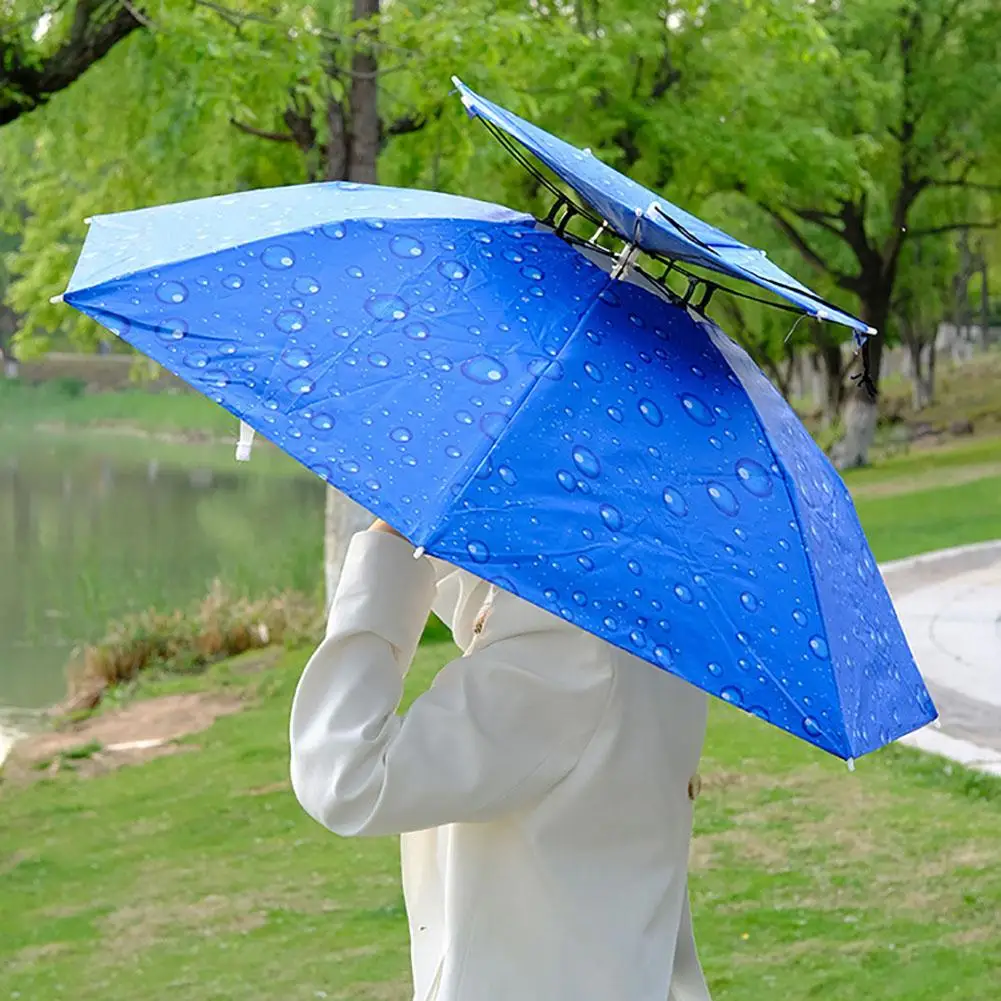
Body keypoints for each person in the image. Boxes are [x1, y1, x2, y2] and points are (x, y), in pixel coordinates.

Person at [289, 520, 712, 1001]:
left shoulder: (568, 653)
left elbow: (348, 776)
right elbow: (492, 614)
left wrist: (387, 548)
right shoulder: (637, 602)